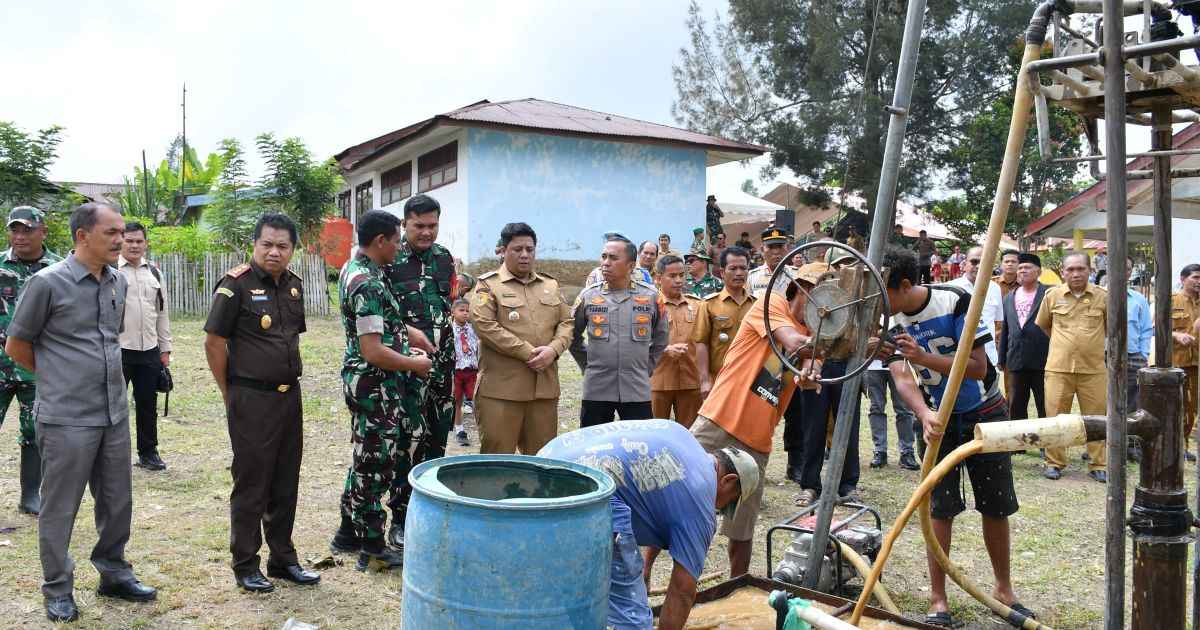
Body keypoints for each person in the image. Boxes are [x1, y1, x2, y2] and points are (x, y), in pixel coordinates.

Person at [7, 202, 157, 622]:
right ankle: (57, 587)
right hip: (67, 416)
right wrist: (59, 379)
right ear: (82, 236)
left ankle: (113, 572)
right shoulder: (46, 284)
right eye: (110, 233)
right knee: (60, 506)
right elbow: (17, 346)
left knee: (116, 501)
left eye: (121, 232)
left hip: (112, 411)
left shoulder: (116, 282)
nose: (120, 240)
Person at [877, 245, 1030, 629]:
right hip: (938, 423)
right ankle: (938, 598)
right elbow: (900, 376)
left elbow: (979, 368)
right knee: (939, 511)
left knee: (996, 505)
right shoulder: (889, 320)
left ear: (906, 284)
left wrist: (923, 357)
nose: (880, 300)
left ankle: (1003, 589)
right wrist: (924, 412)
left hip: (984, 412)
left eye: (885, 290)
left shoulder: (957, 300)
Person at [538, 419, 756, 630]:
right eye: (729, 502)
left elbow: (665, 514)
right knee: (632, 619)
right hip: (586, 489)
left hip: (543, 464)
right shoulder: (701, 497)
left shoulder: (683, 439)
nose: (719, 509)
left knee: (563, 587)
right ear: (728, 481)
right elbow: (682, 590)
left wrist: (646, 566)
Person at [204, 213, 319, 592]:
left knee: (286, 481)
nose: (274, 252)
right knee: (252, 483)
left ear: (292, 250)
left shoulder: (293, 287)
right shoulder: (234, 286)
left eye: (282, 246)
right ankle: (245, 563)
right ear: (254, 245)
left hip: (289, 397)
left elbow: (289, 339)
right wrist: (229, 391)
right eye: (266, 244)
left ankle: (283, 559)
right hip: (251, 397)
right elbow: (214, 343)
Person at [689, 259, 820, 578]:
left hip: (757, 439)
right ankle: (649, 570)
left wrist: (811, 375)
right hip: (718, 420)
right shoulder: (771, 304)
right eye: (817, 297)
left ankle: (737, 583)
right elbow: (791, 341)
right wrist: (844, 343)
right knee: (682, 495)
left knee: (742, 525)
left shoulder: (817, 334)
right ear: (799, 290)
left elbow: (811, 375)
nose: (822, 307)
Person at [331, 210, 432, 573]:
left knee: (365, 454)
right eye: (396, 239)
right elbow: (373, 350)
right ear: (380, 242)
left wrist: (408, 333)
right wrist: (414, 363)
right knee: (375, 464)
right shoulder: (367, 282)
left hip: (370, 383)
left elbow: (375, 320)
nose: (399, 246)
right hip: (377, 386)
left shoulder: (356, 268)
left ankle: (347, 532)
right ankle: (372, 548)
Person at [383, 194, 455, 550]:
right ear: (405, 224)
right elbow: (384, 313)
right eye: (419, 226)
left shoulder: (444, 260)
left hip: (443, 364)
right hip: (406, 367)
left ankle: (429, 512)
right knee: (405, 440)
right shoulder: (390, 260)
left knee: (436, 438)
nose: (426, 232)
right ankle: (399, 517)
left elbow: (449, 305)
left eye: (432, 225)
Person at [471, 222, 574, 454]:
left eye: (530, 249)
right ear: (503, 251)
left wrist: (553, 350)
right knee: (498, 459)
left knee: (543, 459)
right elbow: (484, 325)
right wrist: (527, 352)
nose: (525, 255)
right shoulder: (488, 285)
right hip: (501, 391)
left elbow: (567, 322)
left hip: (544, 390)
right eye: (517, 249)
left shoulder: (550, 285)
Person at [0, 205, 62, 514]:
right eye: (15, 229)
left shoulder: (59, 270)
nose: (20, 236)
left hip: (36, 368)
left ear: (43, 232)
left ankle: (30, 495)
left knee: (34, 431)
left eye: (27, 229)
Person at [570, 235, 668, 426]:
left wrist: (645, 367)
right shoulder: (589, 296)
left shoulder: (651, 297)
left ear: (631, 265)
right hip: (597, 388)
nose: (606, 263)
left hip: (636, 389)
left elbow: (661, 338)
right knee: (594, 446)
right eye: (604, 257)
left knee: (638, 445)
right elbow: (572, 336)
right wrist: (588, 365)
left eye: (613, 258)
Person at [792, 262, 864, 507]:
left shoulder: (848, 300)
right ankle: (810, 485)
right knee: (813, 427)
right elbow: (799, 340)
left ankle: (848, 485)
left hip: (846, 365)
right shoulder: (804, 308)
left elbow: (863, 332)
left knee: (847, 426)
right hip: (812, 367)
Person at [1037, 252, 1108, 482]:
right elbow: (1045, 326)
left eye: (1080, 269)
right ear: (1063, 272)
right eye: (1070, 269)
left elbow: (1111, 327)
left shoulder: (1103, 297)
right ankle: (1054, 462)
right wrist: (1065, 346)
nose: (1076, 273)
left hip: (1093, 369)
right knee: (1056, 417)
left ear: (1090, 270)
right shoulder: (1052, 296)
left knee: (1097, 418)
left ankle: (1099, 463)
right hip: (1058, 368)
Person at [116, 221, 172, 472]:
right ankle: (112, 455)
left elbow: (162, 314)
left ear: (145, 243)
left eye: (139, 241)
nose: (134, 245)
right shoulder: (110, 271)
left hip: (149, 349)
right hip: (118, 350)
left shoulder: (155, 274)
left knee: (147, 404)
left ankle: (148, 453)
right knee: (113, 405)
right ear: (121, 241)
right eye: (129, 240)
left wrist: (165, 349)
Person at [693, 246, 754, 399]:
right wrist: (705, 380)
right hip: (719, 379)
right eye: (733, 268)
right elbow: (701, 343)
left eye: (743, 268)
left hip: (751, 379)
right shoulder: (708, 305)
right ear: (722, 272)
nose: (739, 273)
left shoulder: (757, 305)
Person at [999, 253, 1050, 427]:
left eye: (1027, 267)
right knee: (1016, 404)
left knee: (1045, 404)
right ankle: (1018, 443)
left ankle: (1046, 444)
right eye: (1020, 268)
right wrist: (1001, 358)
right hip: (1016, 360)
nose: (1022, 271)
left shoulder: (1049, 293)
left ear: (1039, 271)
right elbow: (1006, 329)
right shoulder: (1008, 298)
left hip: (1044, 359)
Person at [651, 255, 702, 428]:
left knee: (689, 437)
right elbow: (636, 341)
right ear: (658, 278)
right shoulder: (648, 306)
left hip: (690, 381)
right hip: (658, 381)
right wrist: (665, 350)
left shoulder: (697, 306)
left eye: (681, 275)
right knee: (655, 435)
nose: (679, 280)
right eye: (672, 276)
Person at [949, 246, 1003, 367]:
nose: (979, 266)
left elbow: (997, 323)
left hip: (990, 359)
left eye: (984, 262)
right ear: (964, 264)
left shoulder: (995, 288)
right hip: (961, 362)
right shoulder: (950, 289)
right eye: (974, 262)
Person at [865, 360, 919, 470]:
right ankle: (880, 451)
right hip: (872, 365)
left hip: (899, 362)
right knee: (876, 409)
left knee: (904, 409)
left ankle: (907, 452)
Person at [1124, 258, 1153, 462]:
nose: (1122, 271)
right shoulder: (1099, 296)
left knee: (1133, 403)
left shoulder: (1138, 299)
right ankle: (1102, 445)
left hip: (1133, 356)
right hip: (1102, 357)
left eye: (1126, 268)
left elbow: (1145, 329)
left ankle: (1131, 445)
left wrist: (1143, 355)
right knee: (1102, 402)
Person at [1172, 263, 1200, 457]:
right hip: (1177, 363)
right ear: (1183, 279)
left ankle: (1184, 445)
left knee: (1192, 408)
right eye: (1195, 277)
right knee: (1178, 407)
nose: (1199, 282)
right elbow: (1157, 328)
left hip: (1197, 363)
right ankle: (1177, 446)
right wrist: (1176, 335)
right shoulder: (1171, 300)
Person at [449, 298, 479, 446]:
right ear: (452, 312)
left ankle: (483, 428)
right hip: (457, 370)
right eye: (461, 310)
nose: (465, 313)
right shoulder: (449, 329)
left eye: (467, 311)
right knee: (458, 401)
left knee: (476, 399)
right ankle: (460, 429)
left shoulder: (473, 328)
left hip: (472, 370)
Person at [747, 227, 792, 297]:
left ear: (788, 248)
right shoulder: (751, 278)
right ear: (762, 250)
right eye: (770, 247)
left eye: (780, 246)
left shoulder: (797, 275)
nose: (776, 251)